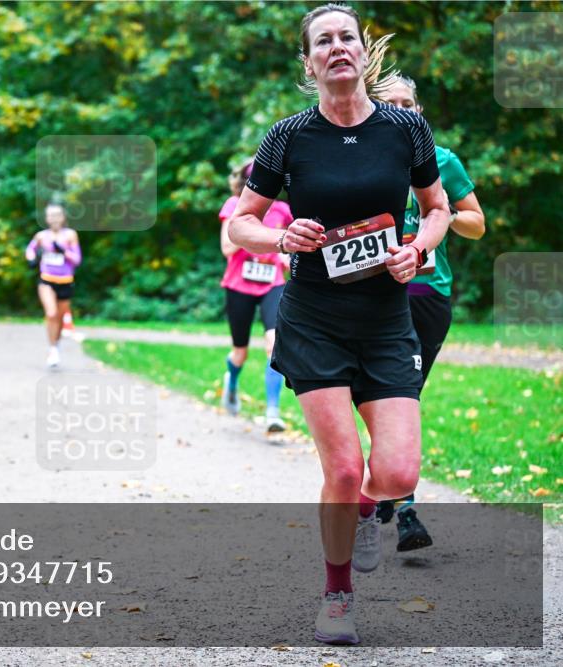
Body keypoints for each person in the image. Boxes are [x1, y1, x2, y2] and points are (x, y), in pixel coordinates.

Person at [226, 3, 450, 645]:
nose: (337, 48)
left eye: (346, 37)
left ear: (363, 49)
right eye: (323, 41)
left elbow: (436, 209)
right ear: (310, 61)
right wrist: (279, 236)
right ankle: (337, 594)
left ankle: (366, 513)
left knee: (399, 472)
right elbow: (242, 222)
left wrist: (419, 247)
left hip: (385, 318)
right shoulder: (288, 135)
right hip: (315, 319)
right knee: (345, 467)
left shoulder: (405, 131)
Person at [372, 75, 486, 551]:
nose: (402, 111)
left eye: (408, 104)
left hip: (428, 295)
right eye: (390, 104)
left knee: (404, 395)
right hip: (378, 296)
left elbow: (477, 224)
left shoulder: (443, 162)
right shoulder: (364, 161)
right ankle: (400, 503)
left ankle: (391, 492)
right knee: (391, 399)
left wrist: (438, 212)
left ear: (419, 112)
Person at [218, 158, 293, 433]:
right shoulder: (233, 206)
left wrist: (283, 255)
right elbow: (227, 247)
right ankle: (232, 383)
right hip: (239, 286)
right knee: (240, 352)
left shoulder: (283, 210)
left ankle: (272, 412)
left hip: (271, 284)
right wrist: (253, 235)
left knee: (274, 345)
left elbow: (287, 246)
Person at [25, 203, 81, 368]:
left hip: (65, 281)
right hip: (47, 280)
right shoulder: (41, 236)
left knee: (60, 318)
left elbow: (77, 260)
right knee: (51, 314)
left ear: (63, 217)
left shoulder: (70, 235)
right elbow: (30, 249)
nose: (54, 218)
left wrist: (64, 252)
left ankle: (56, 345)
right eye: (51, 215)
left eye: (57, 215)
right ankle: (52, 349)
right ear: (47, 218)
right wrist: (31, 258)